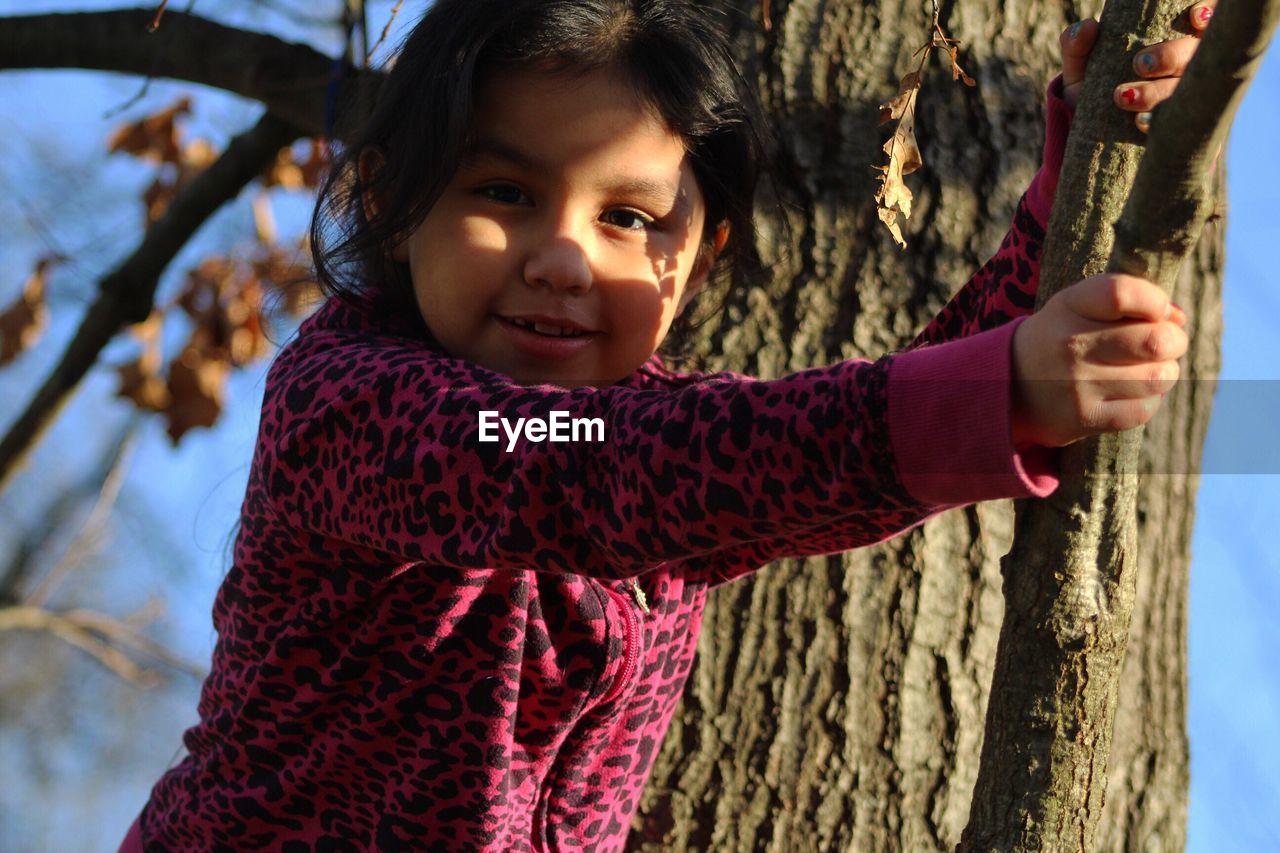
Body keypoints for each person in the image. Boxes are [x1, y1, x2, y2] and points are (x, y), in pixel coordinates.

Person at [121, 0, 1215, 849]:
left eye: (629, 217)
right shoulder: (353, 400)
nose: (562, 257)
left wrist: (1087, 174)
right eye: (501, 192)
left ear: (702, 257)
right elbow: (586, 475)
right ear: (386, 203)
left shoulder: (657, 440)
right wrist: (999, 392)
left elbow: (843, 427)